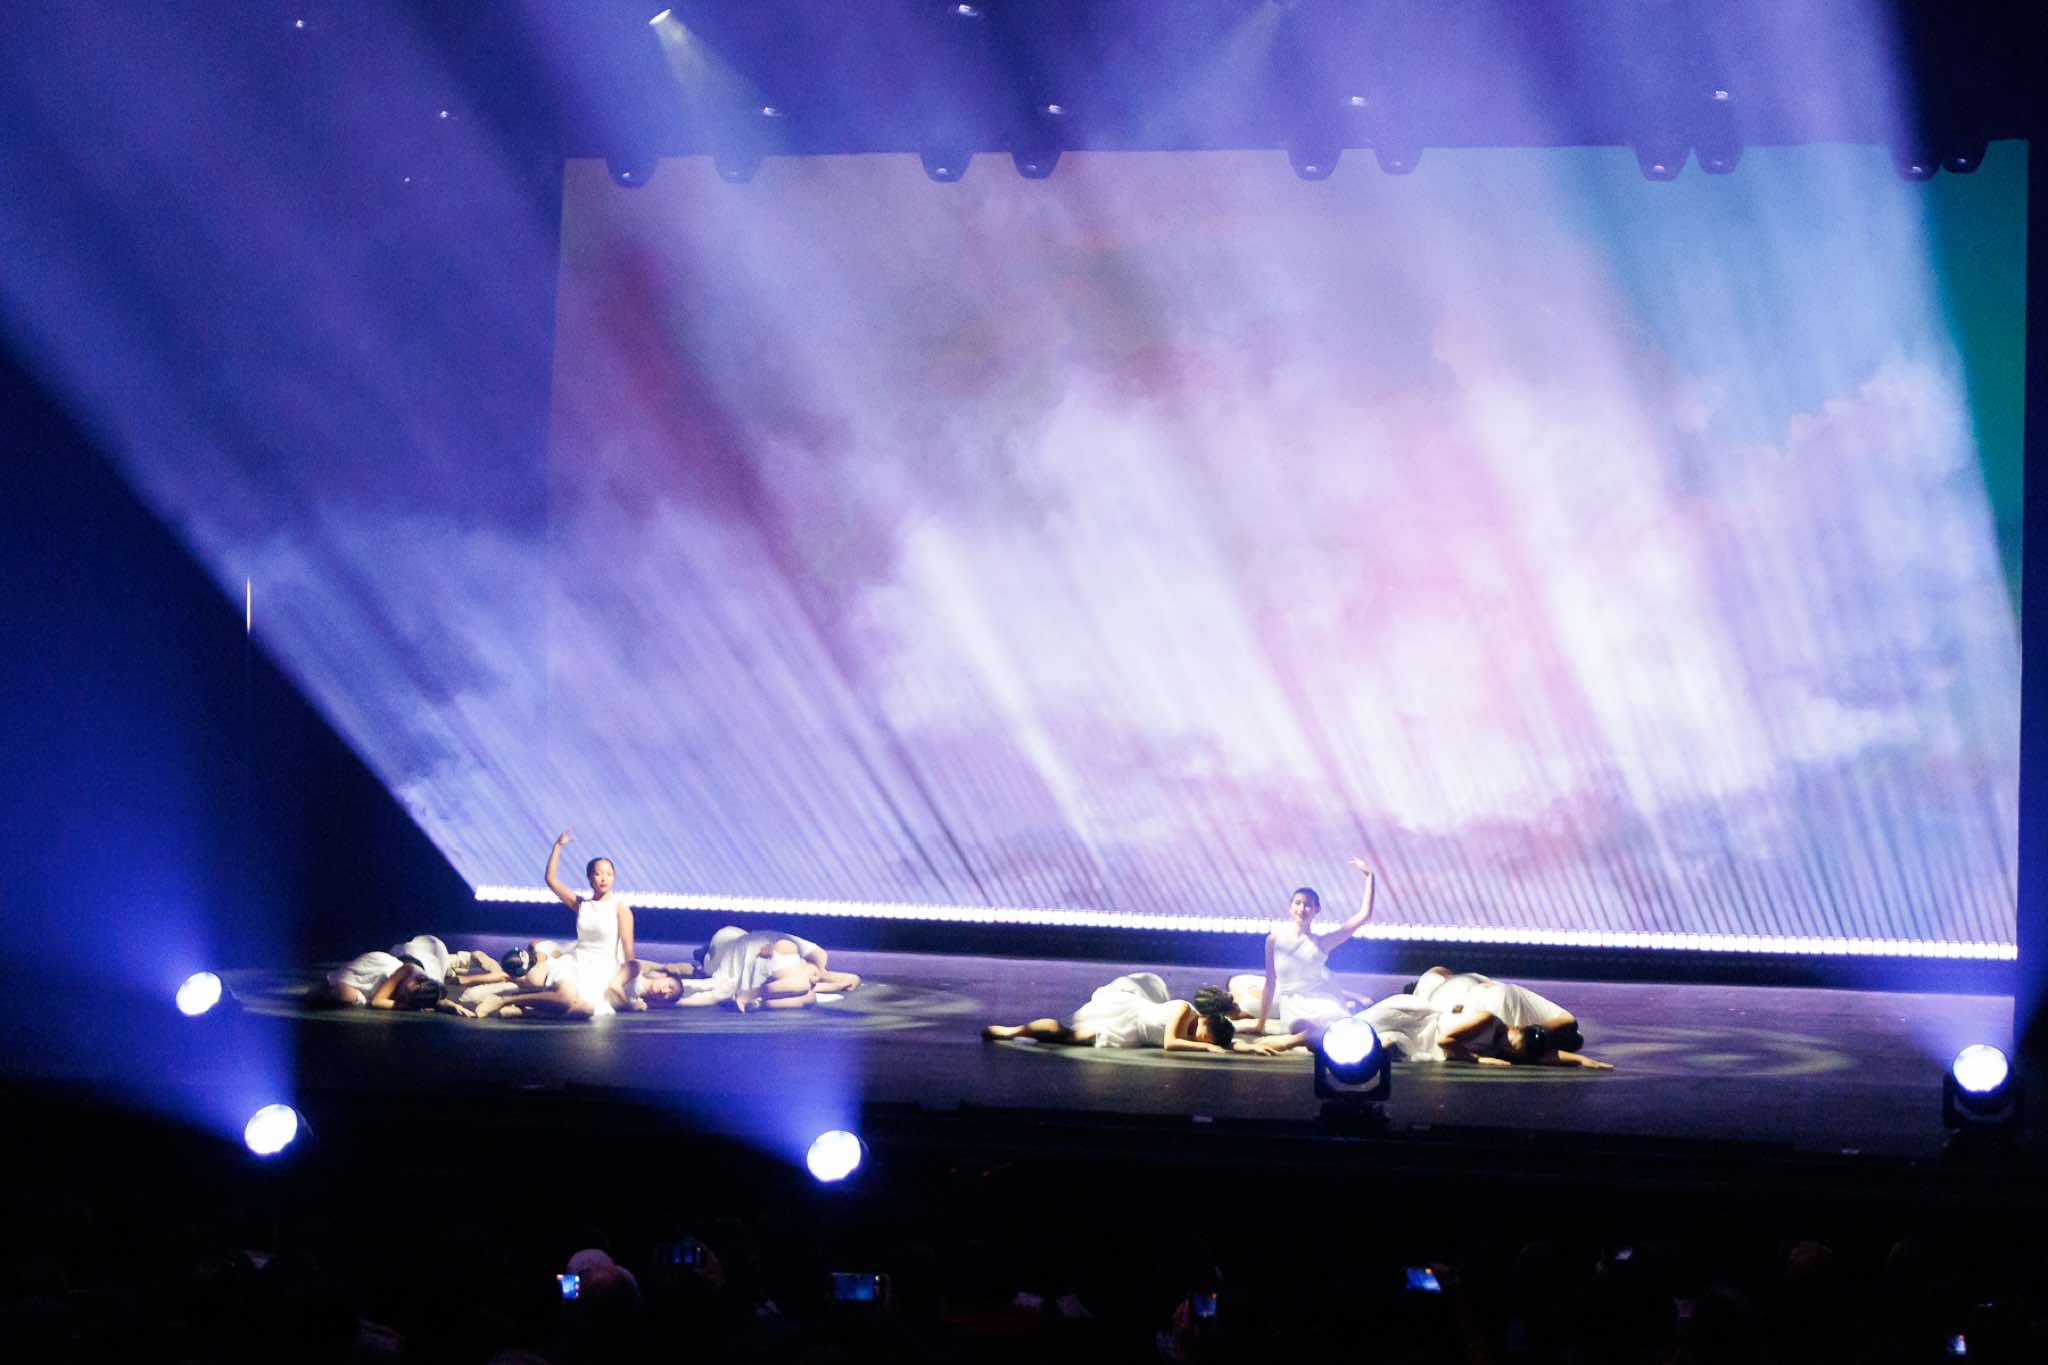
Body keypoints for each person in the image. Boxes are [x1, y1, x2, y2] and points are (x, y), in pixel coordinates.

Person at [1228, 858, 1379, 1037]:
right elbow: (1270, 982)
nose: (1302, 908)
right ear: (1290, 907)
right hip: (1292, 1006)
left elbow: (1364, 915)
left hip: (1320, 1000)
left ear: (1316, 909)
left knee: (1339, 1028)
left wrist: (1370, 876)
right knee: (1303, 1028)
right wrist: (1260, 1024)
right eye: (1298, 903)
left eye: (1308, 905)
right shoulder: (1273, 940)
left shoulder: (1322, 942)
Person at [982, 975, 1287, 1055]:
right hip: (1127, 1016)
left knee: (1067, 1038)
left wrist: (1249, 1048)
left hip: (1132, 1035)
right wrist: (1208, 1048)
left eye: (1207, 1041)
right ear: (1207, 1022)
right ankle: (1012, 1031)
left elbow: (1228, 1041)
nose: (1203, 1041)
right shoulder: (1184, 1009)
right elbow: (1171, 1042)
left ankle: (1016, 1032)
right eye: (1206, 1037)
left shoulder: (1204, 1034)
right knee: (1067, 1034)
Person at [1408, 965, 1609, 1068]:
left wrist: (1581, 1060)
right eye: (1511, 1044)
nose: (1507, 1048)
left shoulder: (1512, 1043)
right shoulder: (1488, 1019)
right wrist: (1477, 1059)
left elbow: (1541, 1057)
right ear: (1515, 1027)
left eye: (1512, 1049)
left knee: (1436, 975)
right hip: (1455, 992)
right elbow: (1445, 1041)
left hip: (1465, 991)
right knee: (1436, 974)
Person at [680, 926, 862, 1011]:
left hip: (740, 968)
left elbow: (842, 980)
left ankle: (750, 997)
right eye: (814, 975)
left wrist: (837, 982)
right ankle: (702, 961)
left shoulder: (803, 982)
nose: (814, 979)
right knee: (802, 986)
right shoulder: (790, 952)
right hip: (731, 948)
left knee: (808, 996)